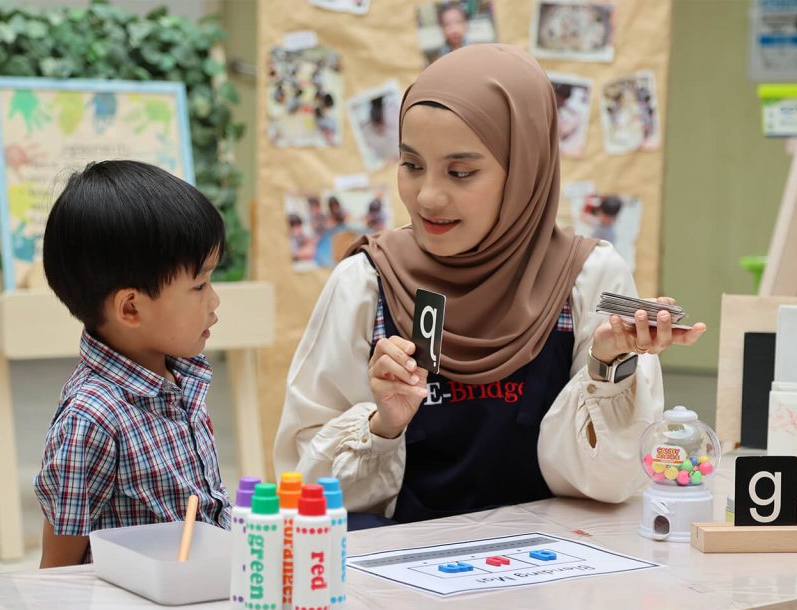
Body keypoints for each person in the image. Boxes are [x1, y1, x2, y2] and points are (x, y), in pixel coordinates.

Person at [273, 44, 706, 529]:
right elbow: (305, 488)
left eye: (460, 172)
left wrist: (606, 368)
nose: (428, 196)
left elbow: (612, 484)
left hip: (554, 557)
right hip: (399, 558)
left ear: (524, 170)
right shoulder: (368, 282)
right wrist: (383, 425)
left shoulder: (586, 279)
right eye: (412, 165)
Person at [35, 160, 232, 566]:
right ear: (130, 308)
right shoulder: (93, 419)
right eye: (199, 285)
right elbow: (56, 567)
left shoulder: (179, 378)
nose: (214, 300)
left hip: (195, 588)